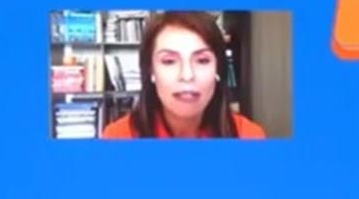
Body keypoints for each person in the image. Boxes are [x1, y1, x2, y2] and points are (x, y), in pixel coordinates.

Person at [101, 11, 266, 139]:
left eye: (202, 60)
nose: (187, 75)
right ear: (151, 71)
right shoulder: (118, 136)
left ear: (218, 69)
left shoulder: (248, 135)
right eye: (169, 61)